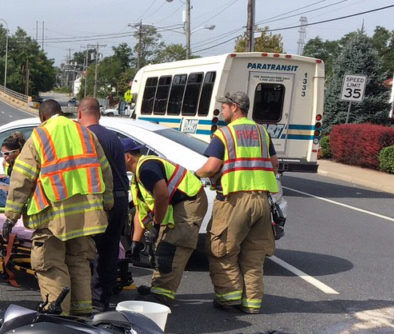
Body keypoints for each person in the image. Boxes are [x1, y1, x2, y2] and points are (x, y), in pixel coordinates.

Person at [4, 99, 113, 316]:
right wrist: (107, 204)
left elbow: (21, 179)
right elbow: (105, 172)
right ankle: (82, 315)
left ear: (42, 117)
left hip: (53, 216)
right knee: (79, 263)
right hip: (85, 216)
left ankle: (58, 318)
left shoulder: (40, 136)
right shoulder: (86, 134)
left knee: (50, 264)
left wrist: (10, 216)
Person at [195, 91, 278, 314]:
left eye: (224, 107)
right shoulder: (262, 133)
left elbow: (212, 167)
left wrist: (195, 175)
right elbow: (274, 164)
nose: (221, 111)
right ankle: (252, 304)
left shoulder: (225, 134)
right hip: (261, 201)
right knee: (254, 255)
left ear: (234, 107)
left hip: (234, 201)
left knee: (222, 250)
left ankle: (229, 298)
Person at [123, 138, 209, 305]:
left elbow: (162, 194)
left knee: (172, 246)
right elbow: (141, 212)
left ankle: (162, 295)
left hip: (189, 201)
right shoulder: (138, 176)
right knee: (163, 245)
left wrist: (156, 223)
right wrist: (135, 242)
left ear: (127, 157)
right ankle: (158, 289)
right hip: (180, 203)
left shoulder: (146, 169)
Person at [77, 97, 129, 312]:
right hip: (121, 199)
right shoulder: (112, 137)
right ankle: (103, 301)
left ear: (80, 114)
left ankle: (89, 300)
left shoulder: (87, 137)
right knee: (109, 252)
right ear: (98, 113)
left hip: (101, 200)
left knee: (88, 252)